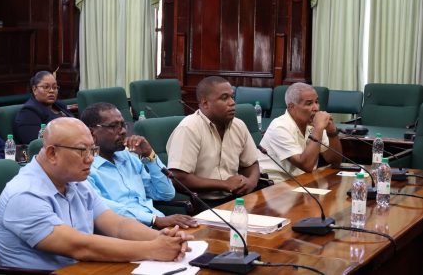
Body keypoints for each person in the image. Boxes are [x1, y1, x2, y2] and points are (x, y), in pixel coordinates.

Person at [0, 117, 192, 270]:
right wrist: (153, 249)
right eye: (82, 151)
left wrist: (164, 239)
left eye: (93, 150)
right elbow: (79, 247)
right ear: (52, 153)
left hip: (86, 269)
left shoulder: (75, 181)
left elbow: (117, 225)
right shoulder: (24, 194)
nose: (90, 159)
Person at [80, 103, 197, 229]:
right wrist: (154, 220)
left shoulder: (128, 157)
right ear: (92, 133)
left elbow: (166, 194)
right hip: (125, 235)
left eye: (123, 125)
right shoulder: (84, 167)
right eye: (114, 126)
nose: (124, 131)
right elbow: (103, 208)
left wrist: (150, 156)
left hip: (159, 227)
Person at [166, 76, 260, 208]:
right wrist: (225, 185)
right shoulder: (188, 128)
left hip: (237, 198)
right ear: (205, 104)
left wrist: (251, 182)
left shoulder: (239, 125)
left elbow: (252, 163)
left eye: (232, 97)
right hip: (204, 202)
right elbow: (179, 178)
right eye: (224, 98)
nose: (232, 102)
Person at [259, 82, 342, 183]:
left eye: (316, 102)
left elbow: (335, 161)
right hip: (275, 186)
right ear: (291, 107)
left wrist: (332, 131)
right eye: (309, 103)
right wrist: (319, 129)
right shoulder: (280, 127)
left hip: (303, 182)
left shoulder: (313, 125)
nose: (316, 108)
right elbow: (306, 165)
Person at [13, 70, 73, 144]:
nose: (51, 91)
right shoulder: (28, 112)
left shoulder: (60, 105)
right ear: (34, 89)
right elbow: (36, 145)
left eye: (54, 87)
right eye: (46, 87)